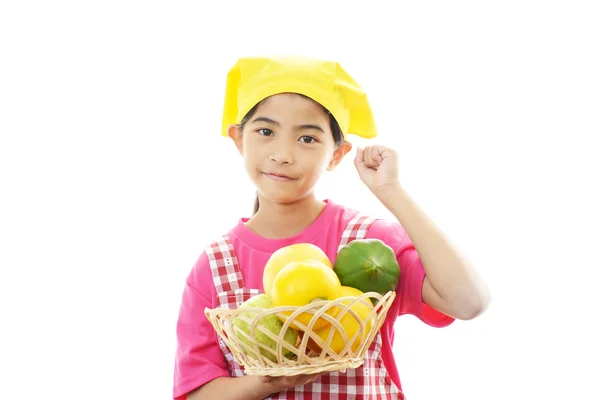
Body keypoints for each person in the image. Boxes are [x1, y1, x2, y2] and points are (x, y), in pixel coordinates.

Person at [172, 56, 491, 400]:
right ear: (238, 139)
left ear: (337, 155)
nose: (282, 154)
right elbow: (196, 393)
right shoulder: (216, 265)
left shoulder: (369, 246)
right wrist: (267, 382)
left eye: (307, 139)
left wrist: (391, 192)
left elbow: (469, 301)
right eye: (266, 132)